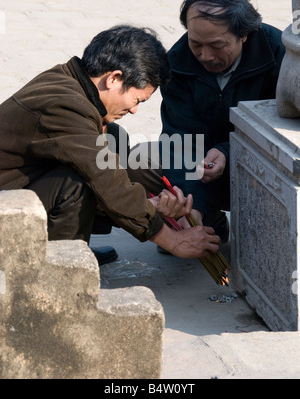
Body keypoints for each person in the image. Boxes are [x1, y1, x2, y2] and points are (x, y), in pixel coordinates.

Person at [0, 25, 221, 265]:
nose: (135, 110)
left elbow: (113, 182)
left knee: (113, 140)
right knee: (76, 184)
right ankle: (59, 271)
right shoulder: (64, 105)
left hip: (17, 195)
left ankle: (73, 247)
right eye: (137, 99)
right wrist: (173, 241)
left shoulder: (69, 81)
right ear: (114, 78)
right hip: (7, 211)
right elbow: (106, 181)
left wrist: (150, 206)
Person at [160, 0, 286, 242]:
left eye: (217, 45)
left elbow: (282, 132)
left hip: (260, 166)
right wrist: (190, 208)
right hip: (202, 169)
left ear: (244, 34)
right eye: (196, 44)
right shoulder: (177, 61)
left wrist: (228, 151)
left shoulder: (278, 54)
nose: (205, 56)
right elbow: (179, 138)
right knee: (145, 168)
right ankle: (209, 216)